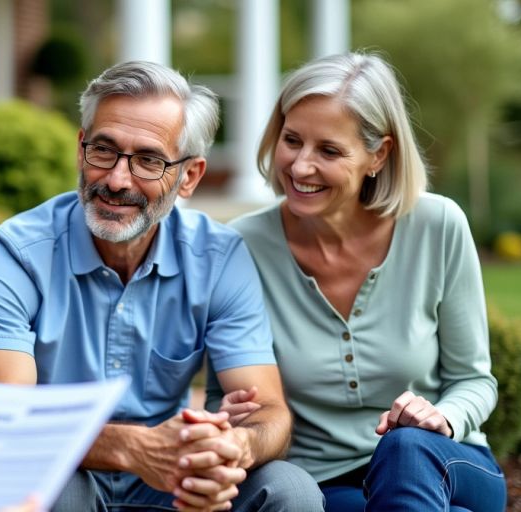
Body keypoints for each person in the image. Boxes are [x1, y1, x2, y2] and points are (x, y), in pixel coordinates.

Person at [0, 61, 323, 512]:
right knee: (51, 489)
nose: (116, 179)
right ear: (80, 150)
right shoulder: (14, 252)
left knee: (289, 490)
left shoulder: (218, 256)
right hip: (64, 469)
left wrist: (232, 449)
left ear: (188, 176)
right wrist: (134, 448)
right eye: (103, 151)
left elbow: (269, 411)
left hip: (171, 480)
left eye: (149, 161)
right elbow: (3, 417)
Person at [212, 52, 505, 511]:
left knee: (405, 449)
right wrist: (232, 422)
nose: (300, 166)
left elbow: (475, 380)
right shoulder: (241, 247)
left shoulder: (438, 224)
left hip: (446, 460)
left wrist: (440, 417)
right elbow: (228, 394)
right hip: (325, 483)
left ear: (379, 154)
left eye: (328, 150)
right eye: (292, 140)